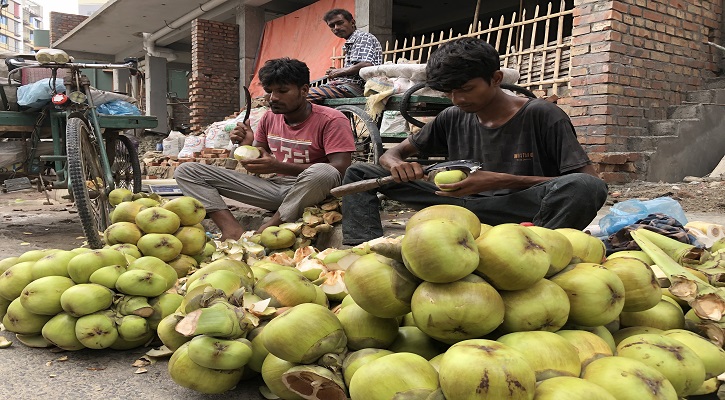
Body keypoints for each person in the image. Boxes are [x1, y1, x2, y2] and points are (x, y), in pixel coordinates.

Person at [341, 37, 608, 246]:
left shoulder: (542, 115)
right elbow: (395, 152)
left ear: (496, 79)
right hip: (456, 206)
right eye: (450, 93)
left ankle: (537, 250)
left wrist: (501, 180)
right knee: (359, 172)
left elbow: (591, 182)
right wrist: (395, 162)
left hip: (516, 210)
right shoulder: (452, 116)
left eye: (466, 89)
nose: (458, 99)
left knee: (583, 188)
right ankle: (366, 247)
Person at [175, 58, 356, 241]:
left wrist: (279, 167)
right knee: (187, 171)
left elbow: (340, 169)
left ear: (304, 90)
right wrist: (247, 146)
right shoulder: (269, 118)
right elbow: (257, 162)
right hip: (275, 189)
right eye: (269, 91)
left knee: (324, 171)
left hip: (313, 193)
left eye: (282, 91)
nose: (273, 98)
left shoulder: (332, 120)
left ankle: (270, 227)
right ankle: (231, 230)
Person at [307, 8, 383, 103]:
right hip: (343, 86)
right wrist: (336, 72)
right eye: (332, 26)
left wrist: (338, 72)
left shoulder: (362, 37)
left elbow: (366, 64)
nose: (336, 28)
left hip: (356, 87)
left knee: (302, 97)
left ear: (352, 22)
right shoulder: (351, 42)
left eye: (340, 23)